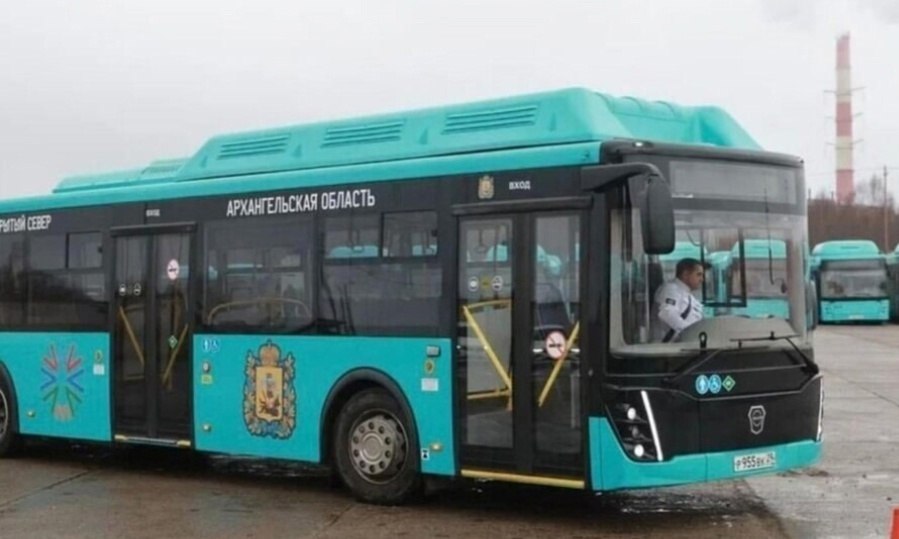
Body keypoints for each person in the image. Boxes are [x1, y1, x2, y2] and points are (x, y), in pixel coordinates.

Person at [653, 257, 706, 342]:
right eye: (698, 274)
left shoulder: (688, 295)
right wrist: (691, 332)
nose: (702, 279)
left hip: (687, 344)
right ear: (685, 274)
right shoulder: (671, 289)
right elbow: (667, 313)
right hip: (672, 347)